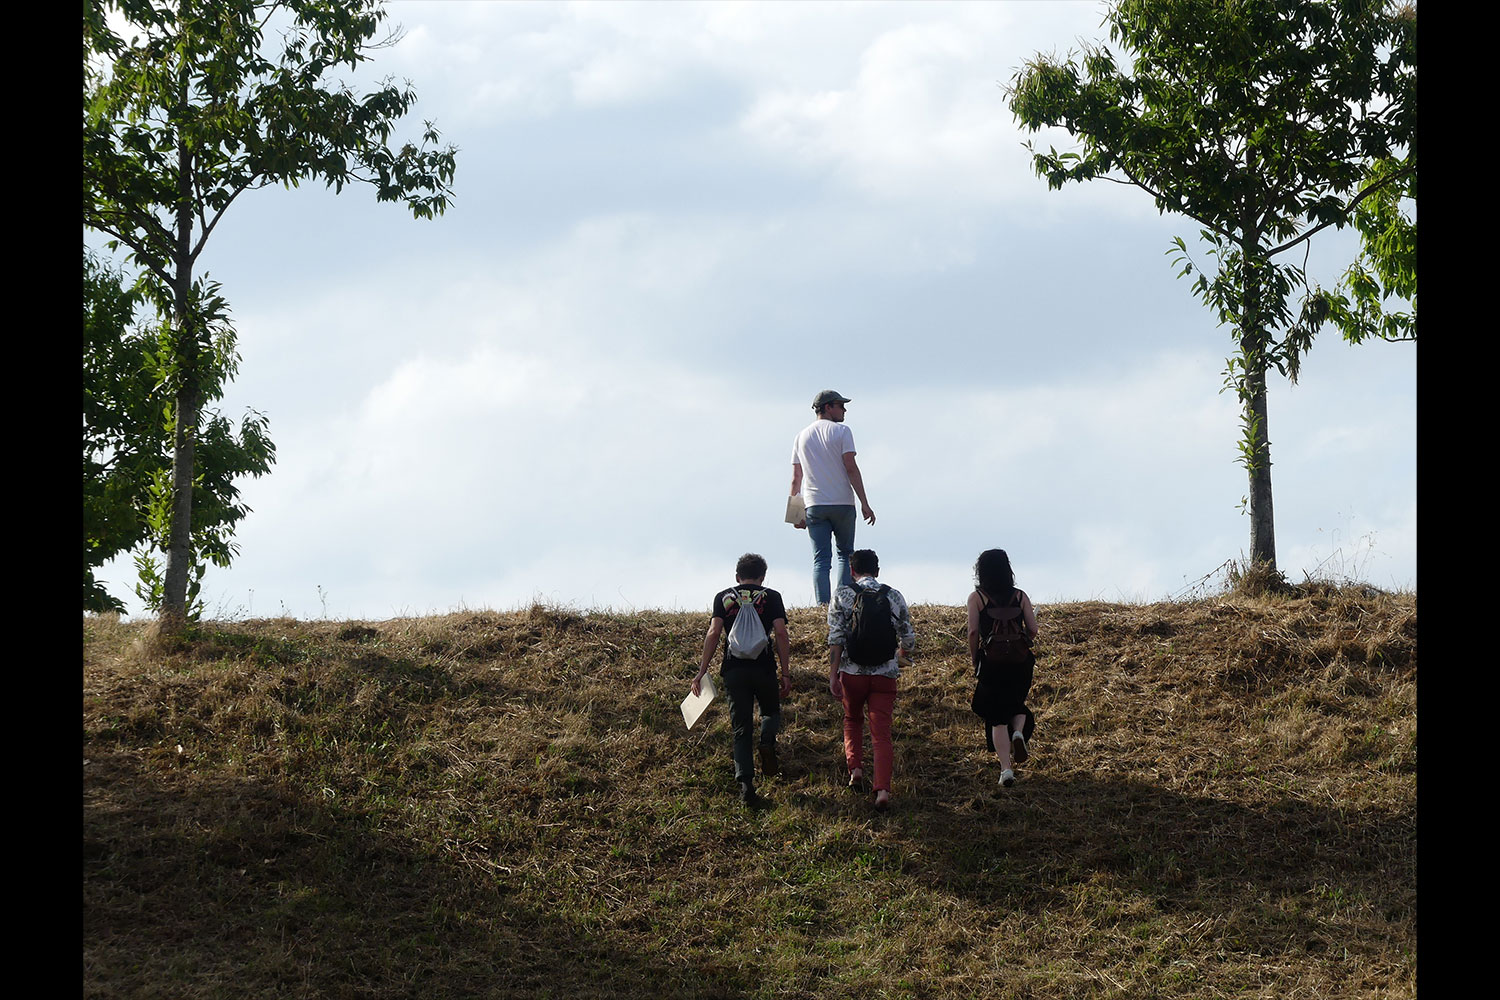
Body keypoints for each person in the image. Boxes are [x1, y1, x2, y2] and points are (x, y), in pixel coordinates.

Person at [691, 553, 792, 807]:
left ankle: (746, 787)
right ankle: (767, 740)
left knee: (741, 728)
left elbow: (714, 632)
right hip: (764, 668)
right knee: (770, 711)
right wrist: (785, 672)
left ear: (737, 577)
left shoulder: (723, 597)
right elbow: (781, 633)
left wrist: (702, 671)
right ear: (762, 577)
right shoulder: (772, 597)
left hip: (734, 671)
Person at [826, 549, 914, 810]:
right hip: (884, 675)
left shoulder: (842, 595)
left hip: (852, 674)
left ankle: (855, 770)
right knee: (881, 734)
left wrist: (833, 674)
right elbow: (908, 637)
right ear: (877, 570)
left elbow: (836, 638)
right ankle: (882, 790)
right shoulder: (893, 595)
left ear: (852, 570)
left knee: (852, 720)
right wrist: (902, 654)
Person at [790, 389, 876, 605]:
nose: (844, 410)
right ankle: (843, 603)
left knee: (821, 559)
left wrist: (795, 514)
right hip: (843, 503)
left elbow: (796, 479)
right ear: (828, 407)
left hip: (814, 505)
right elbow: (851, 468)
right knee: (845, 555)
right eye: (840, 405)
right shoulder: (842, 431)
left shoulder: (801, 436)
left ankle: (823, 606)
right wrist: (864, 502)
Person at [967, 548, 1039, 788]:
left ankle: (1006, 769)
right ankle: (1018, 732)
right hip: (1021, 662)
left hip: (992, 663)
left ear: (981, 571)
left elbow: (973, 632)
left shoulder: (977, 598)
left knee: (996, 716)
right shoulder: (1020, 596)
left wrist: (975, 658)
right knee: (1015, 704)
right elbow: (1033, 629)